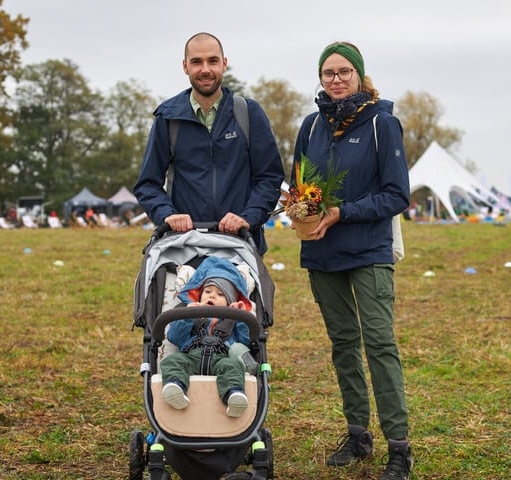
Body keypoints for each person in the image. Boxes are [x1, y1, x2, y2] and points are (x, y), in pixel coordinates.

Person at [290, 41, 412, 479]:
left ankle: (399, 447)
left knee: (379, 344)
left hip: (368, 251)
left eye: (344, 72)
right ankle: (358, 435)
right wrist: (300, 211)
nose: (336, 79)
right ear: (320, 79)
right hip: (321, 252)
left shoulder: (382, 123)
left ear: (360, 75)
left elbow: (398, 195)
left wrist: (343, 212)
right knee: (343, 345)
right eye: (328, 73)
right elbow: (298, 185)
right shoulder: (310, 126)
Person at [134, 32, 284, 255]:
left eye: (212, 61)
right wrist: (168, 215)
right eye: (196, 62)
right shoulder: (168, 117)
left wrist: (247, 217)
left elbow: (270, 177)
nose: (205, 69)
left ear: (224, 64)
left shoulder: (248, 113)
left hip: (240, 245)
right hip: (184, 246)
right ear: (185, 67)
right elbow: (147, 183)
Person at [160, 256, 254, 418]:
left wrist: (240, 317)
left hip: (221, 357)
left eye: (220, 294)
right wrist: (187, 315)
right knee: (172, 361)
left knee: (232, 366)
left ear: (230, 301)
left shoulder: (232, 319)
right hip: (192, 356)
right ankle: (176, 386)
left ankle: (234, 394)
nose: (212, 296)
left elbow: (246, 341)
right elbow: (175, 337)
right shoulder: (191, 313)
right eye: (208, 292)